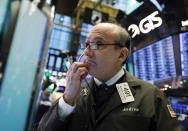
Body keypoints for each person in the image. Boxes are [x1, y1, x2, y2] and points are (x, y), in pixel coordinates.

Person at [37, 22, 181, 131]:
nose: (87, 52)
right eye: (86, 45)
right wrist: (67, 99)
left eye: (97, 44)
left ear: (121, 54)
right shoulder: (75, 93)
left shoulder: (151, 96)